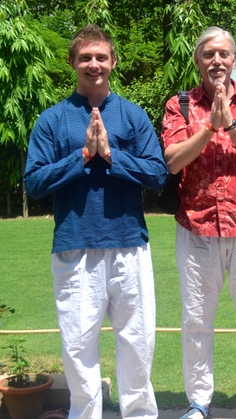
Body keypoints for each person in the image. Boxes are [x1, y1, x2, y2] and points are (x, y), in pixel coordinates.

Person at [24, 24, 167, 419]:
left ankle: (138, 413)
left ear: (114, 62)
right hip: (75, 244)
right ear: (72, 63)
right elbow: (35, 182)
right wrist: (83, 157)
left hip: (128, 244)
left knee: (137, 342)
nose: (94, 64)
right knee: (78, 344)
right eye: (85, 57)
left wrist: (111, 156)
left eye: (101, 57)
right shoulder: (52, 121)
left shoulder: (132, 116)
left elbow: (158, 174)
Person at [161, 27, 236, 419]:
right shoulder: (180, 106)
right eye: (209, 54)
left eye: (224, 54)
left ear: (235, 60)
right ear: (197, 60)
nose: (217, 61)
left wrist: (230, 125)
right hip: (196, 227)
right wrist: (209, 126)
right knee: (196, 319)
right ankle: (199, 402)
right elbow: (174, 160)